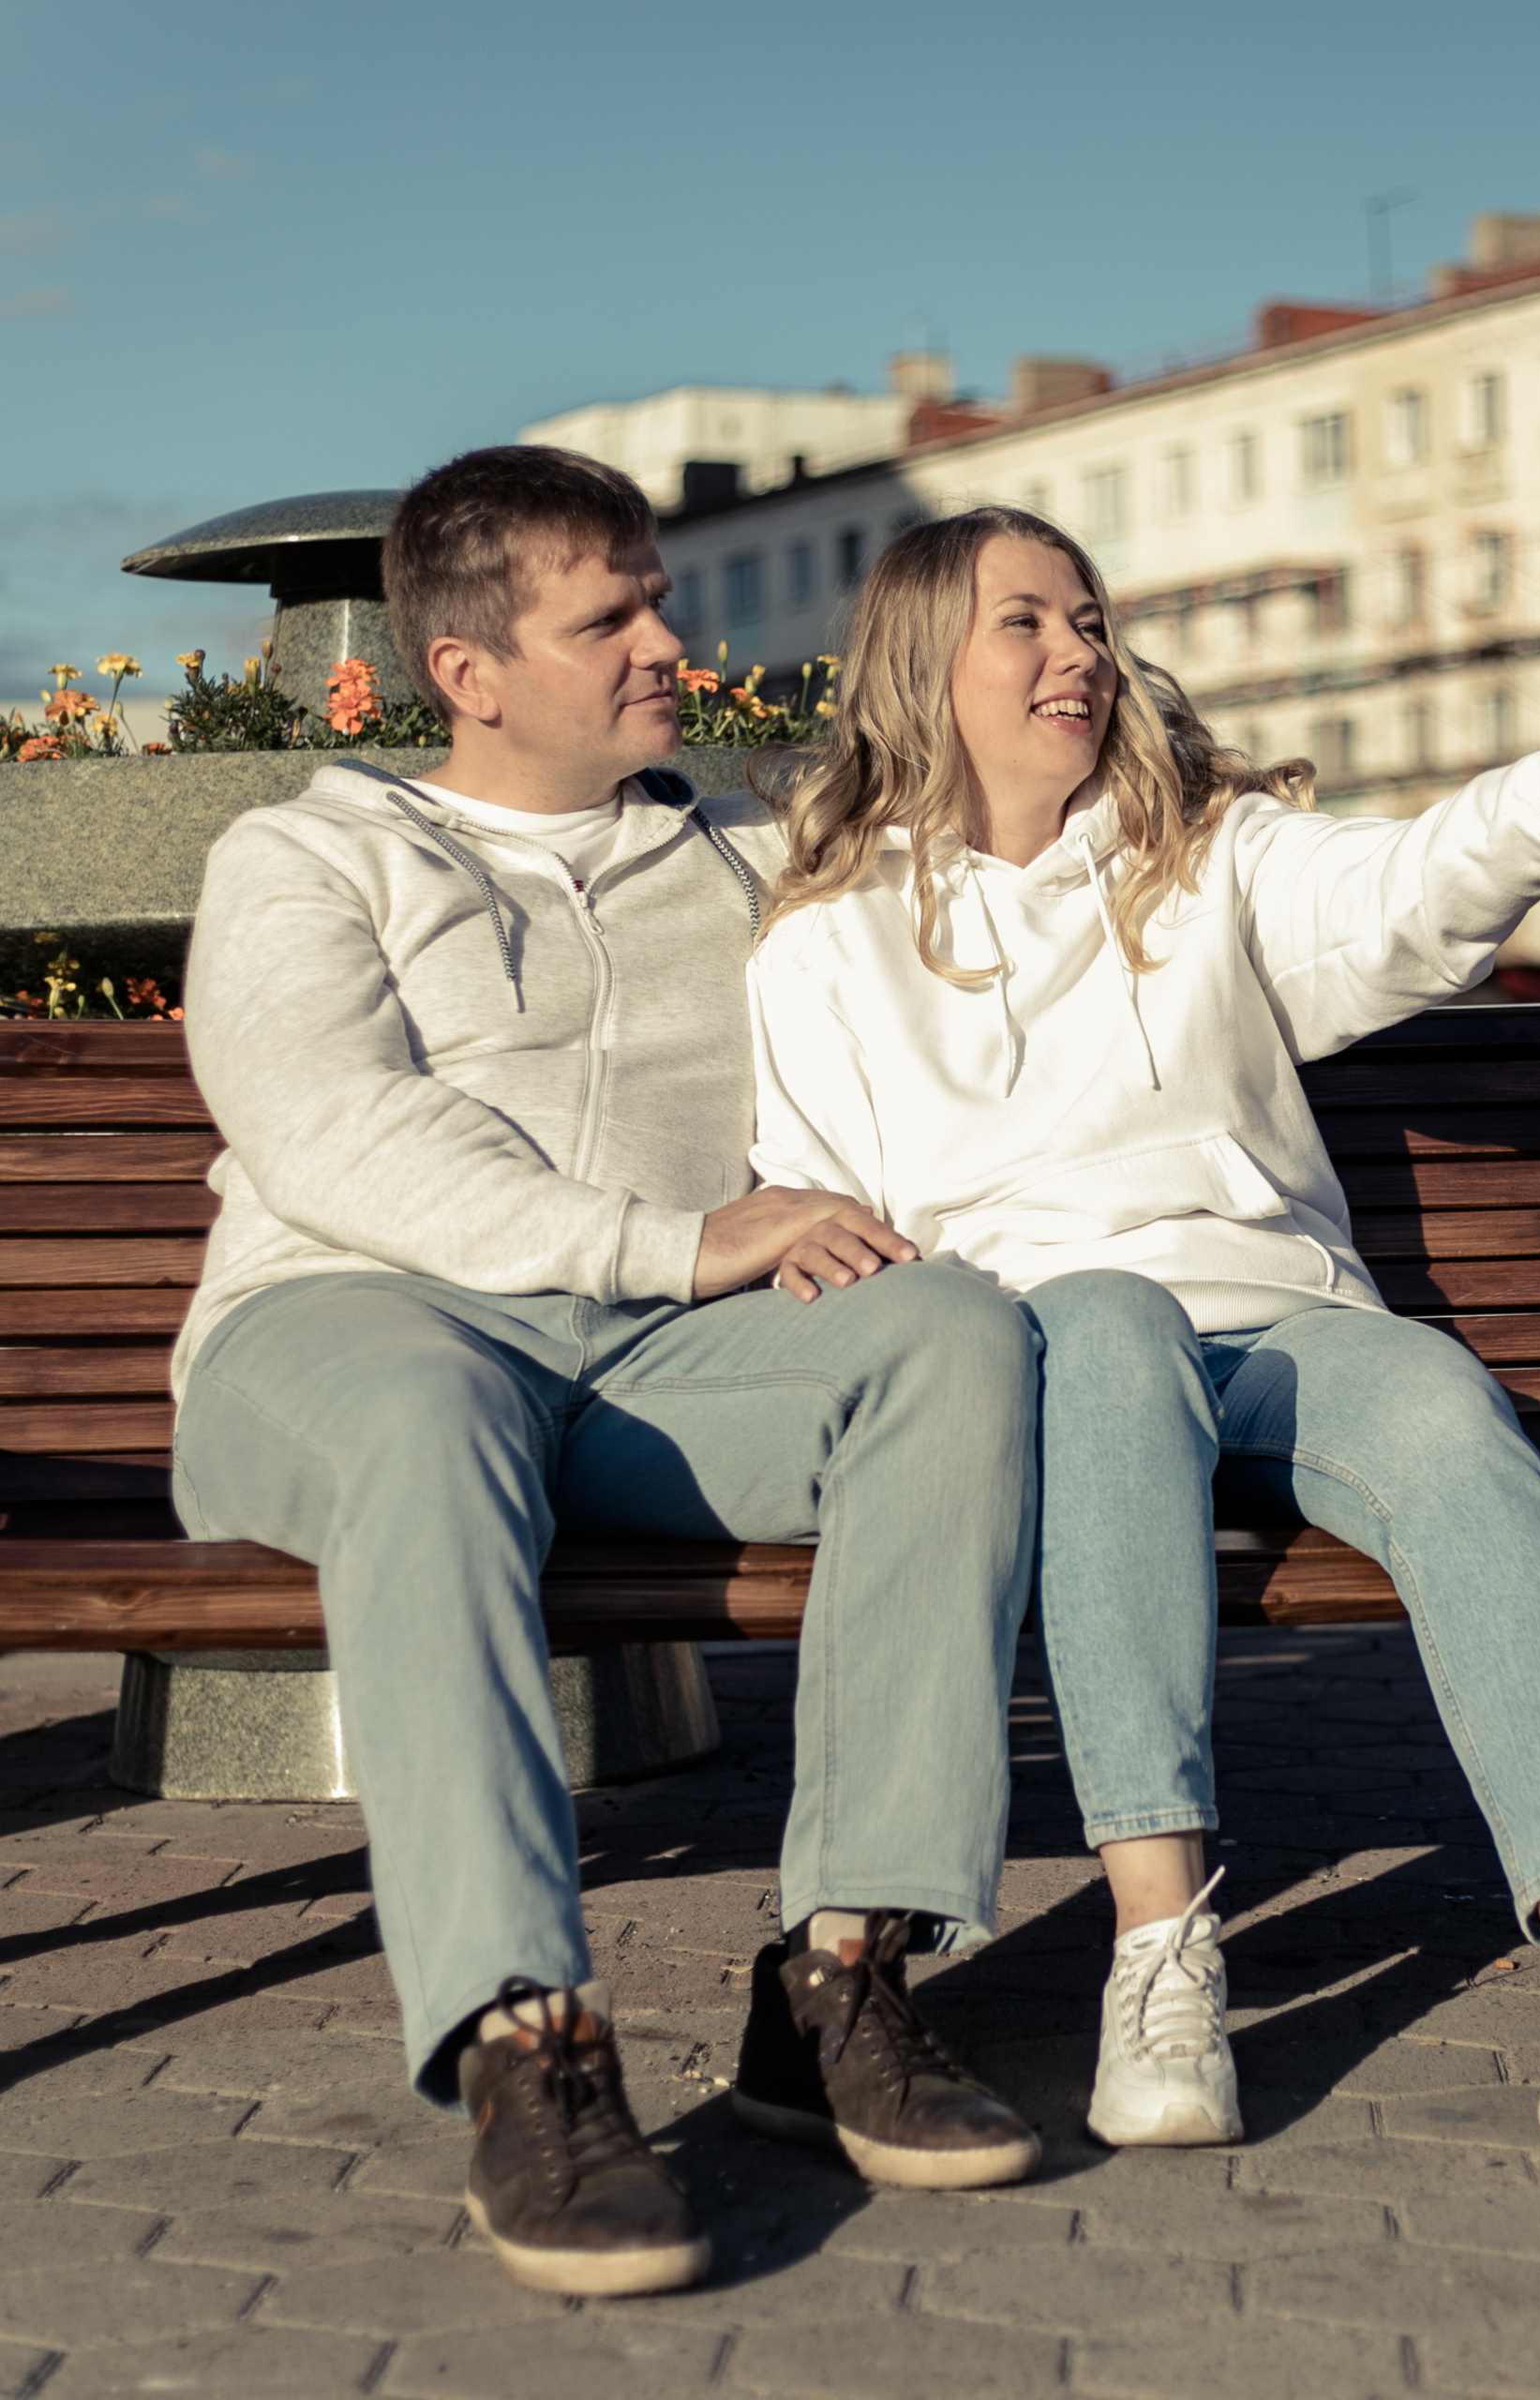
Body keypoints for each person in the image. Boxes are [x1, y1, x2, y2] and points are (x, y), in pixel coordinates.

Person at [742, 505, 1540, 2184]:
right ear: (919, 668)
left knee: (1448, 1414)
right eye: (1026, 624)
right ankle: (1161, 1959)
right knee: (1103, 1323)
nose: (1078, 654)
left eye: (1089, 621)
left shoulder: (1205, 854)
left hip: (1275, 1323)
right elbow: (829, 1229)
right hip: (1052, 1357)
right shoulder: (828, 941)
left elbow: (1406, 895)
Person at [172, 450, 1047, 2301]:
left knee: (951, 1334)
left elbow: (1019, 904)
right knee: (425, 1413)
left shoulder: (742, 850)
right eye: (613, 616)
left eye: (659, 595)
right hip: (344, 1327)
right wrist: (674, 1238)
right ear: (470, 669)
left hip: (644, 1366)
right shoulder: (310, 852)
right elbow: (331, 1129)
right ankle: (526, 2034)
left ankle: (842, 1970)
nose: (671, 638)